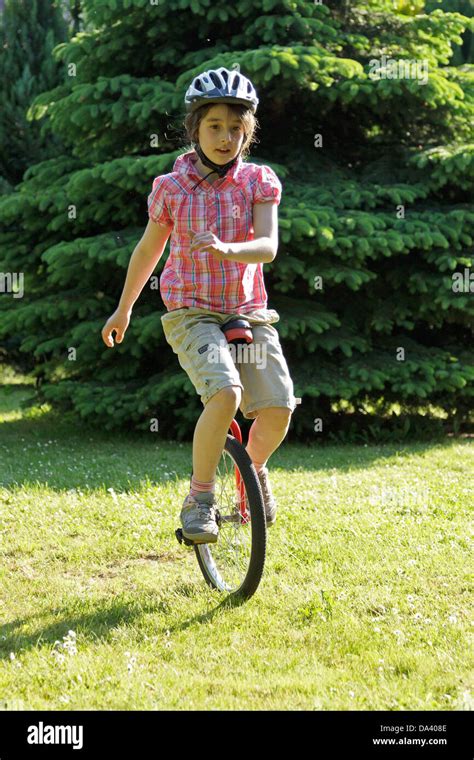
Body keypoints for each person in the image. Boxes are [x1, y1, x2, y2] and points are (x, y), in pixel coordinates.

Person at [101, 67, 297, 544]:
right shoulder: (172, 188)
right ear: (195, 129)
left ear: (247, 132)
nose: (225, 137)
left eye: (236, 128)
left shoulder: (258, 182)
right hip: (192, 313)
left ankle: (252, 472)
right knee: (225, 393)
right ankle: (200, 498)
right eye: (214, 126)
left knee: (278, 408)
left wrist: (229, 249)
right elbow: (148, 250)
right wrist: (124, 307)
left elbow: (268, 246)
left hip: (246, 310)